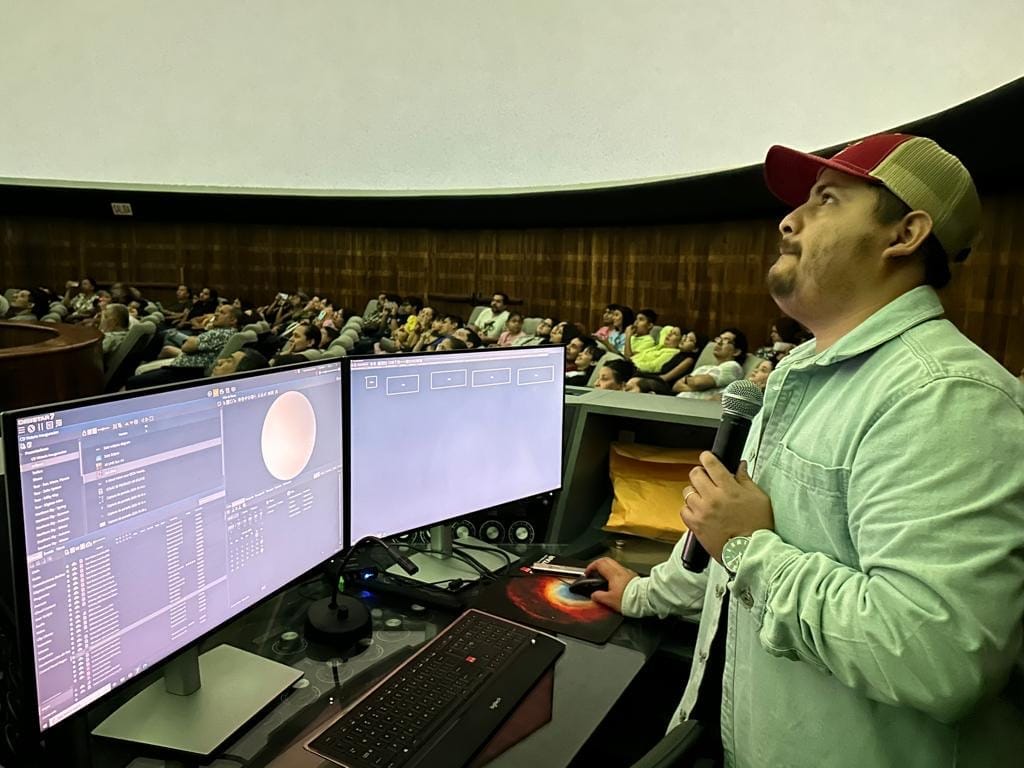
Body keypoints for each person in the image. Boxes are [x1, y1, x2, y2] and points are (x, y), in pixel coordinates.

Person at [586, 134, 1024, 767]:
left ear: (904, 234)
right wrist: (641, 595)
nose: (788, 221)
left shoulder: (946, 396)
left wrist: (747, 546)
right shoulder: (800, 371)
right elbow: (730, 567)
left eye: (825, 200)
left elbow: (938, 656)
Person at [672, 328, 747, 398]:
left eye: (726, 341)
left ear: (736, 351)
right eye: (719, 339)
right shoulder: (705, 367)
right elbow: (676, 386)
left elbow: (698, 382)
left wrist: (688, 381)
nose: (719, 343)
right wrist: (697, 386)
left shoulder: (733, 367)